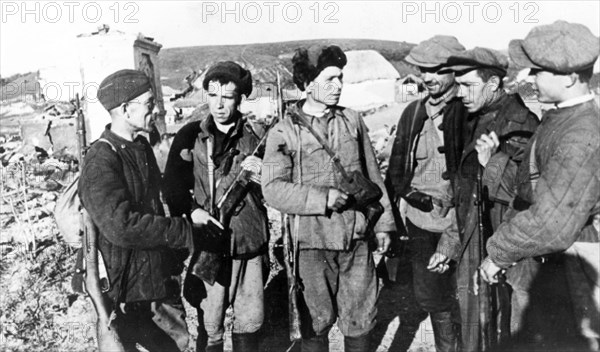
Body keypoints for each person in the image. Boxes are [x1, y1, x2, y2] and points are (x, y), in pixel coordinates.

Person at [261, 45, 395, 352]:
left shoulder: (352, 121)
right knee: (314, 323)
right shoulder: (283, 132)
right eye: (330, 79)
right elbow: (272, 188)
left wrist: (384, 225)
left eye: (341, 78)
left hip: (356, 240)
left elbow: (374, 177)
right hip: (311, 245)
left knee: (361, 319)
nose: (339, 85)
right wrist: (321, 198)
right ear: (308, 84)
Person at [479, 21, 599, 350]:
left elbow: (553, 223)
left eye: (540, 71)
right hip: (551, 267)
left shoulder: (579, 134)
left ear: (571, 78)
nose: (531, 78)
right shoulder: (561, 117)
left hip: (571, 272)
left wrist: (499, 253)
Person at [79, 69, 202, 351]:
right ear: (125, 109)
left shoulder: (141, 147)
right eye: (149, 103)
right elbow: (122, 226)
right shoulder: (101, 160)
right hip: (128, 295)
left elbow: (160, 204)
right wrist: (182, 231)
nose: (156, 109)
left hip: (160, 282)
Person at [428, 47, 539, 351]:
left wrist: (491, 161)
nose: (460, 93)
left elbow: (530, 196)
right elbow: (468, 193)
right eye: (458, 84)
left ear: (492, 85)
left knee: (504, 331)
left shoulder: (520, 125)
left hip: (505, 248)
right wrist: (450, 244)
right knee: (474, 332)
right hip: (473, 242)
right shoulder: (476, 119)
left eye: (468, 85)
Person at [385, 35, 467, 352]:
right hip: (421, 221)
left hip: (462, 222)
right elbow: (396, 169)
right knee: (433, 298)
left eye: (437, 70)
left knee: (467, 297)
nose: (428, 78)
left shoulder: (468, 113)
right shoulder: (413, 113)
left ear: (455, 71)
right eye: (423, 70)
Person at [189, 61, 269, 352]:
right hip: (211, 243)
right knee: (211, 325)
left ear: (240, 99)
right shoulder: (192, 136)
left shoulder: (258, 137)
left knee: (249, 322)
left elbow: (282, 185)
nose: (219, 104)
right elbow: (173, 190)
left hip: (249, 241)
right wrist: (192, 212)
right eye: (213, 95)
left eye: (228, 96)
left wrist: (265, 172)